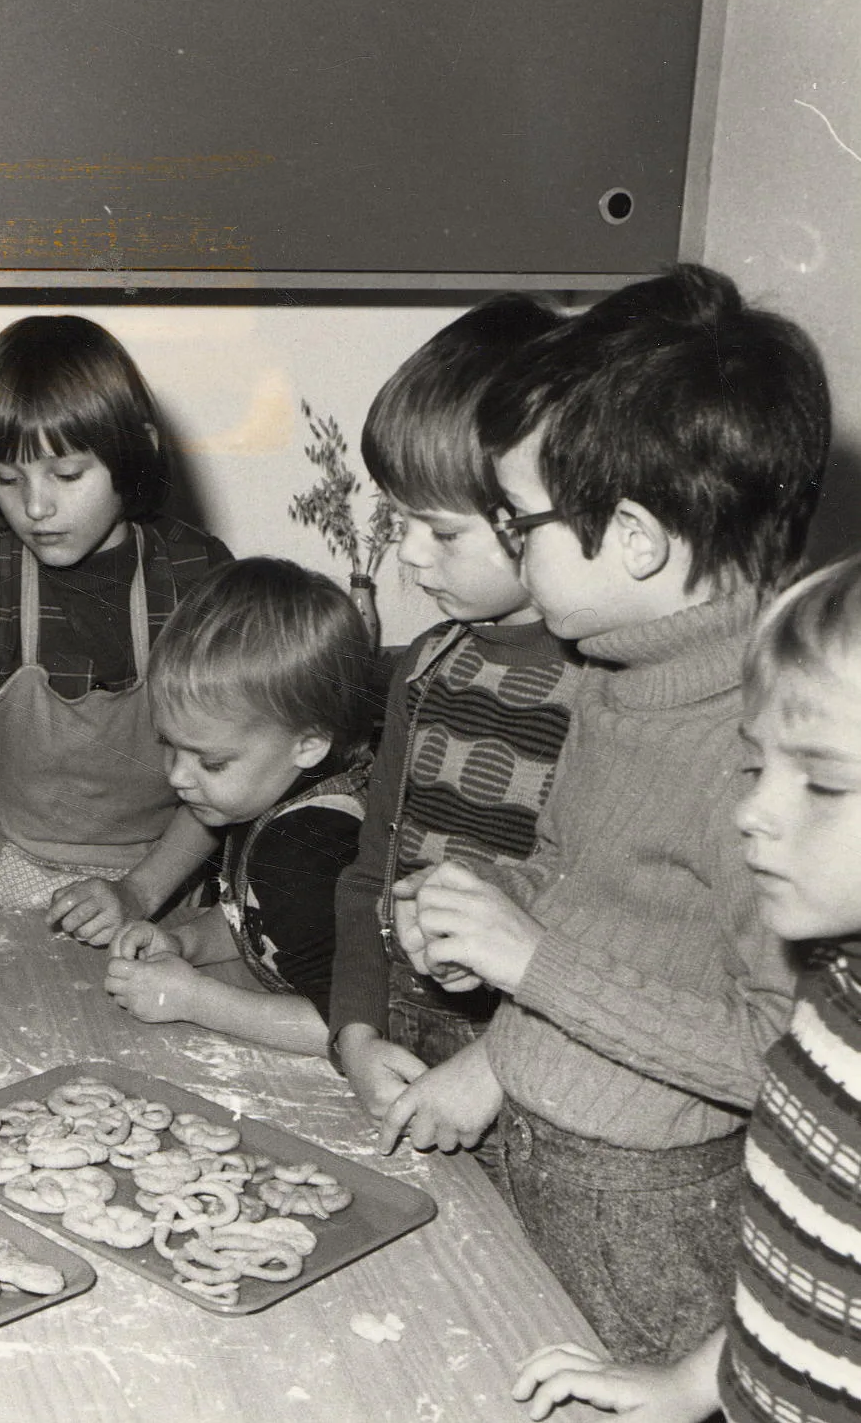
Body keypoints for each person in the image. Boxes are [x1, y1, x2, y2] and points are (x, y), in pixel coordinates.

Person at [398, 263, 830, 1363]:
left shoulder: (763, 743)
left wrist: (530, 961)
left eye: (514, 518)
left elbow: (784, 1050)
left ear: (634, 538)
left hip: (647, 1215)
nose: (500, 545)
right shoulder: (608, 667)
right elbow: (587, 891)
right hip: (536, 1153)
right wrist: (485, 933)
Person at [511, 554, 861, 1422]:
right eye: (756, 767)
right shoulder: (832, 1000)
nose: (752, 811)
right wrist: (691, 1382)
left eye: (818, 780)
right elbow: (800, 1275)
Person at [0, 314, 231, 977]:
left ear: (135, 452)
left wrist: (138, 892)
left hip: (161, 890)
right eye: (9, 480)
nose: (35, 508)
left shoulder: (196, 575)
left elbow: (231, 770)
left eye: (65, 475)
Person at [322, 297, 580, 1163]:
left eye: (439, 530)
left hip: (540, 1071)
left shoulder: (605, 694)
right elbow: (370, 876)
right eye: (398, 521)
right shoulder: (427, 670)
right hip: (406, 1034)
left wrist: (490, 1068)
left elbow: (609, 943)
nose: (408, 556)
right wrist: (354, 1035)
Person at [102, 558, 378, 1054]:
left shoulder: (308, 851)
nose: (177, 776)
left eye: (211, 762)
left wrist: (193, 999)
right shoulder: (266, 791)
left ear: (308, 744)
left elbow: (349, 1028)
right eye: (169, 743)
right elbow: (260, 923)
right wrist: (183, 944)